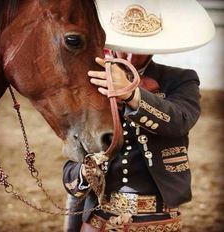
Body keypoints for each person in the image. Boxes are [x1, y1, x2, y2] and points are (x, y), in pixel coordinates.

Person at [63, 0, 215, 231]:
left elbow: (180, 120)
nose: (131, 54)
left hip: (157, 215)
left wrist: (131, 93)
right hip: (99, 216)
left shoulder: (181, 78)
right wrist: (83, 172)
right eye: (125, 44)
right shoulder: (90, 80)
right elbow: (73, 153)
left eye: (141, 46)